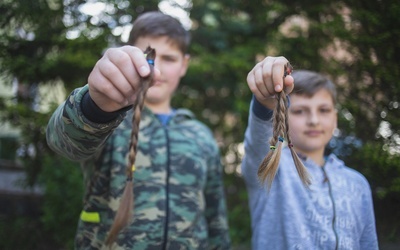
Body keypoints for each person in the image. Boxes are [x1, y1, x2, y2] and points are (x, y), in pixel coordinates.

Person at [46, 11, 231, 249]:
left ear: (184, 65)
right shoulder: (109, 122)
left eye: (170, 59)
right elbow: (62, 141)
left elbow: (216, 220)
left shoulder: (201, 135)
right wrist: (96, 107)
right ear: (130, 56)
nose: (158, 70)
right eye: (149, 56)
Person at [241, 57, 378, 250]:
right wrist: (265, 103)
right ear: (282, 117)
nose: (314, 120)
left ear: (335, 119)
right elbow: (259, 142)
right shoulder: (273, 170)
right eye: (299, 111)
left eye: (323, 110)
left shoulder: (358, 184)